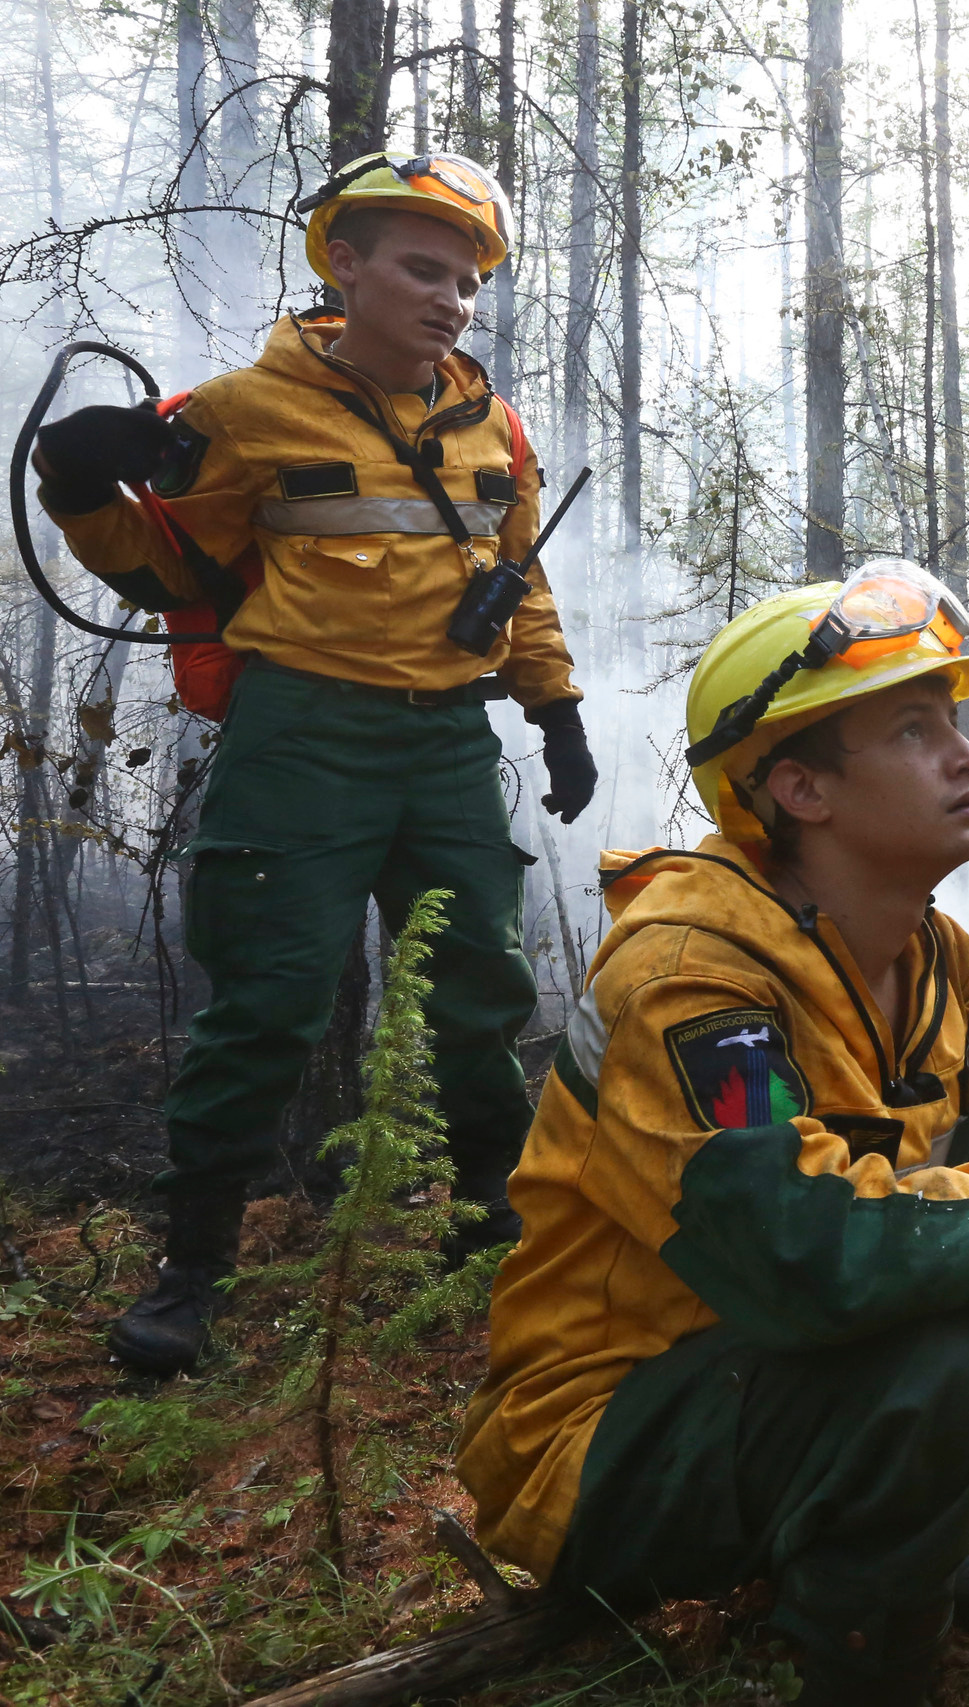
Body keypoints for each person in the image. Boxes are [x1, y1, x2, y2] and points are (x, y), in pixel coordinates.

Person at [459, 568, 969, 1704]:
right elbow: (802, 1253)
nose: (966, 757)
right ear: (801, 788)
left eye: (955, 724)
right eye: (916, 730)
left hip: (771, 1372)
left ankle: (910, 1535)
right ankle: (869, 1665)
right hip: (609, 1447)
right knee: (947, 1338)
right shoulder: (693, 984)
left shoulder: (919, 949)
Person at [30, 153, 596, 1375]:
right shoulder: (244, 411)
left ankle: (484, 1228)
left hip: (447, 739)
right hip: (302, 738)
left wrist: (555, 711)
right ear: (345, 263)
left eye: (465, 279)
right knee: (269, 1001)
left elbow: (521, 575)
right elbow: (164, 563)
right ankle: (192, 1272)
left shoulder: (493, 422)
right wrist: (76, 482)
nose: (449, 299)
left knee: (479, 991)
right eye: (421, 269)